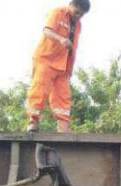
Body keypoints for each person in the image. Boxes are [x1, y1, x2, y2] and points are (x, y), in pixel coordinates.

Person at [25, 0, 91, 133]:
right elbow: (47, 30)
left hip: (64, 66)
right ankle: (33, 122)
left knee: (63, 97)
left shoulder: (78, 24)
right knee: (40, 91)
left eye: (82, 14)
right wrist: (60, 39)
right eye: (77, 12)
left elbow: (73, 47)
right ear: (72, 5)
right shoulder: (57, 13)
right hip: (46, 59)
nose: (78, 15)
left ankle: (64, 129)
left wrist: (70, 69)